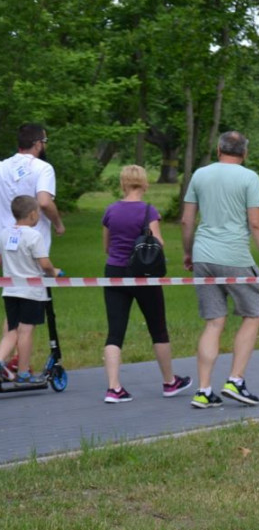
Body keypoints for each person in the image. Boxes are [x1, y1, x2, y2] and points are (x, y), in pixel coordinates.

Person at [181, 131, 259, 409]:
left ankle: (203, 389)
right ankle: (235, 380)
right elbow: (256, 223)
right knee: (253, 313)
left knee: (213, 322)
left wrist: (188, 252)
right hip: (234, 255)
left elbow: (187, 220)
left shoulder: (199, 175)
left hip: (203, 255)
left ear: (218, 149)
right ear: (244, 153)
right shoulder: (249, 178)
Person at [101, 165, 191, 403]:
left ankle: (113, 387)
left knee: (115, 332)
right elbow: (158, 242)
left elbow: (107, 247)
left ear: (122, 184)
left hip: (115, 273)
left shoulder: (110, 211)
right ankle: (169, 382)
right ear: (145, 184)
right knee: (158, 328)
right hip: (144, 276)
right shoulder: (149, 211)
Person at [0, 123, 65, 364]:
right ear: (38, 143)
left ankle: (9, 360)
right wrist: (58, 224)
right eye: (44, 142)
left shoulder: (2, 167)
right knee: (29, 307)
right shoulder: (43, 168)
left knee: (14, 302)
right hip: (33, 243)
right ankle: (16, 363)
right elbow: (45, 202)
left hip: (6, 240)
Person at [0, 196, 58, 384]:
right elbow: (44, 263)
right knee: (25, 330)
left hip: (10, 290)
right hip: (31, 291)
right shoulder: (34, 236)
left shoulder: (4, 234)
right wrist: (53, 271)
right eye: (39, 213)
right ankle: (23, 371)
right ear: (33, 214)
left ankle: (1, 358)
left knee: (11, 330)